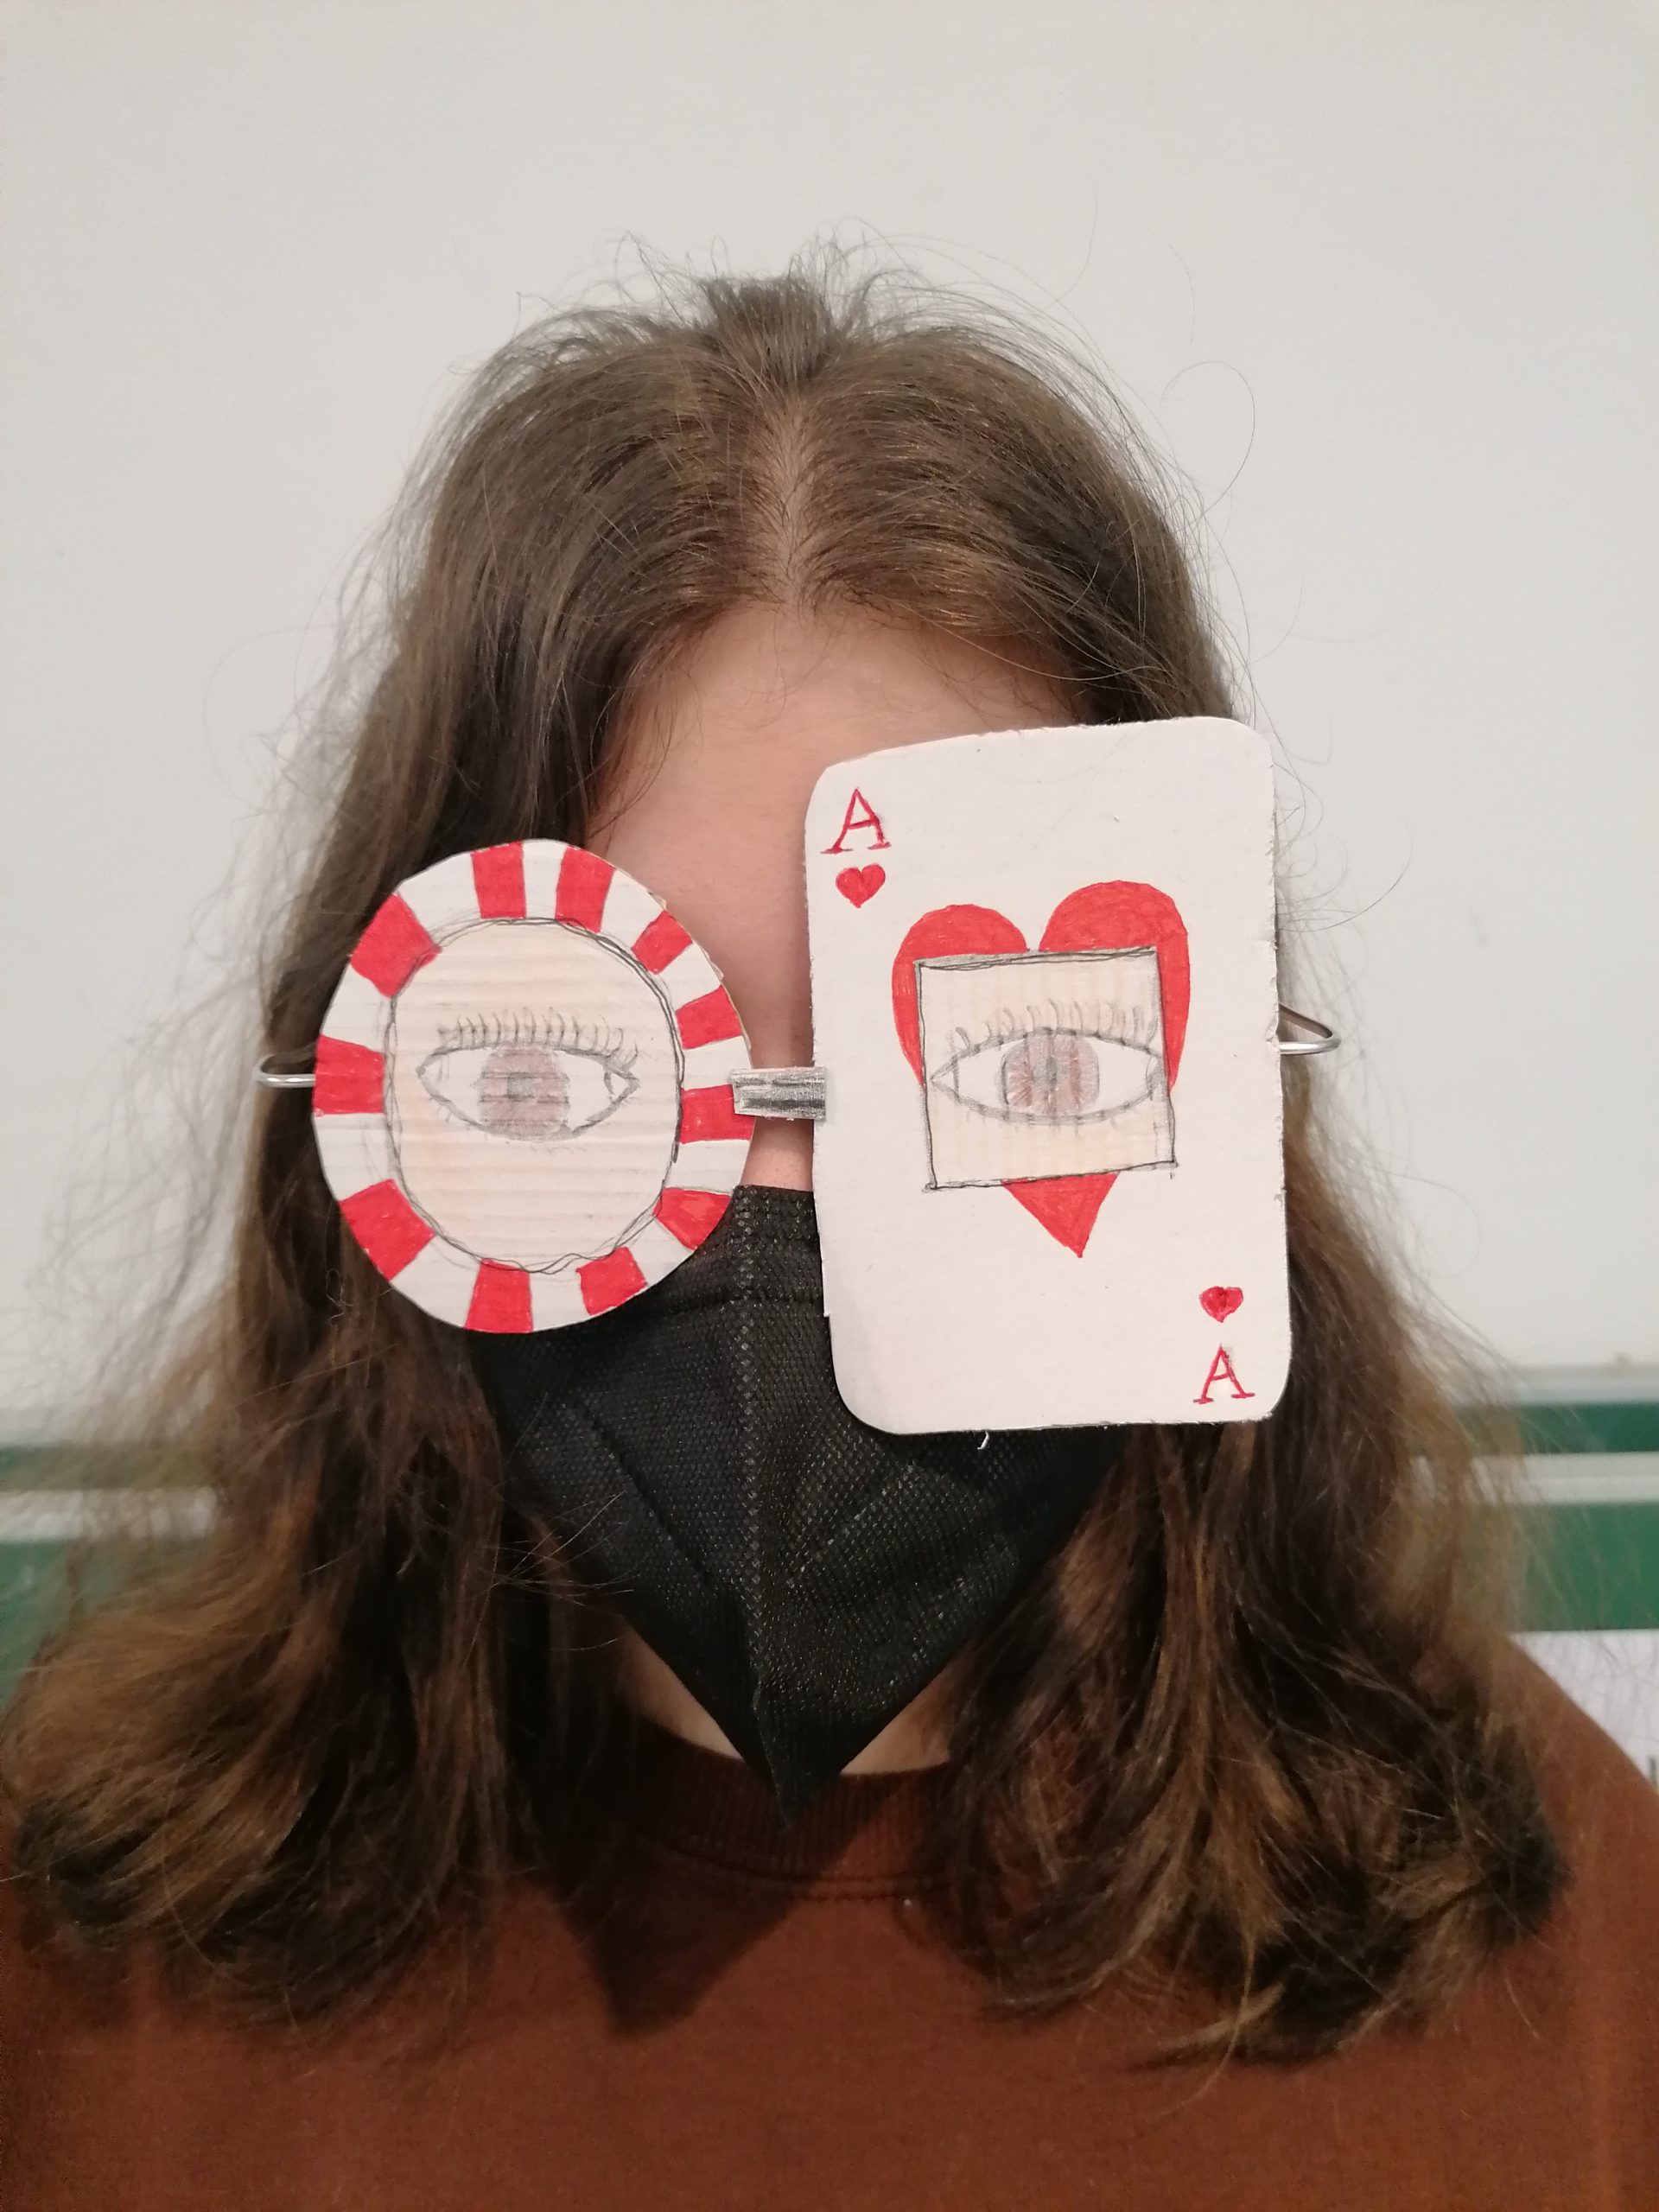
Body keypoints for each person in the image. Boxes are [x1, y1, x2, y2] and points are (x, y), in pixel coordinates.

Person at [2, 254, 1655, 2210]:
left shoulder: (1555, 1925)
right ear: (376, 1101)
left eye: (1013, 1059)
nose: (779, 1202)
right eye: (576, 1068)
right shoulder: (83, 1967)